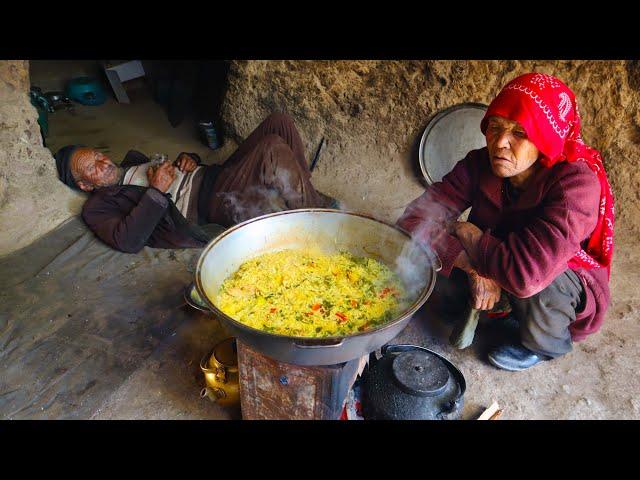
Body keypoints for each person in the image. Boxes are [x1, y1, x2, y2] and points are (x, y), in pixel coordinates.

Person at [398, 73, 615, 371]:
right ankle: (497, 304)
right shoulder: (478, 164)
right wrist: (471, 267)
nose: (500, 143)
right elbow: (413, 219)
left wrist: (469, 233)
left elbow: (526, 275)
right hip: (494, 257)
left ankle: (544, 345)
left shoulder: (576, 186)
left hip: (551, 278)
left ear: (545, 140)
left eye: (520, 134)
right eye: (495, 127)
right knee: (423, 268)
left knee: (540, 285)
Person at [55, 112, 336, 253]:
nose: (103, 163)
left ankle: (301, 191)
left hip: (216, 174)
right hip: (211, 200)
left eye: (99, 155)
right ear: (85, 186)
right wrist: (156, 191)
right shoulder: (98, 207)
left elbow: (182, 167)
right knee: (272, 147)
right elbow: (128, 241)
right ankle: (320, 225)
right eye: (92, 167)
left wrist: (187, 159)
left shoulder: (131, 162)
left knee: (279, 122)